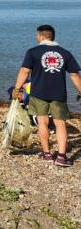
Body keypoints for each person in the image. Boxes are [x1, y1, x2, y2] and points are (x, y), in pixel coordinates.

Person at [12, 24, 81, 167]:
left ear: (42, 36)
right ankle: (62, 157)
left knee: (42, 122)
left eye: (37, 35)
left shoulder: (33, 52)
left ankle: (47, 154)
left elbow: (24, 71)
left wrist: (17, 88)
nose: (36, 38)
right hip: (59, 93)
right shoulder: (65, 53)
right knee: (60, 123)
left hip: (38, 93)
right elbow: (74, 75)